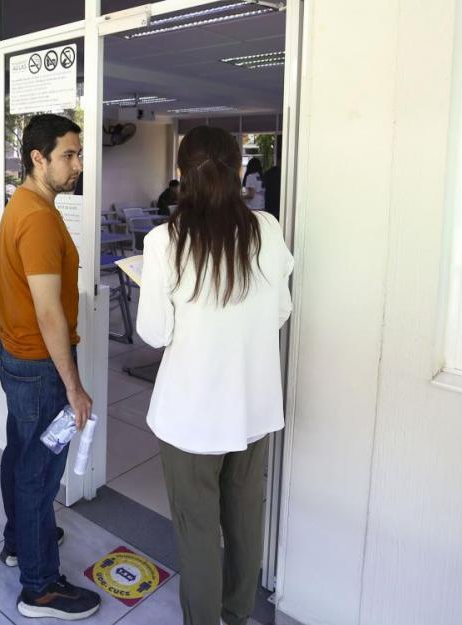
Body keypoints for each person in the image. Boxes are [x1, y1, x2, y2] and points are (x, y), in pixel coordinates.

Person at [136, 126, 293, 625]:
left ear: (181, 174)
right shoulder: (265, 228)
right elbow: (280, 311)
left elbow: (155, 333)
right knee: (246, 518)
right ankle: (237, 613)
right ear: (239, 168)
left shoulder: (165, 240)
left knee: (197, 526)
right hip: (253, 405)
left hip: (191, 414)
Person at [0, 113, 100, 620]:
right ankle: (39, 588)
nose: (77, 165)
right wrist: (73, 386)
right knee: (39, 472)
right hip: (40, 367)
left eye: (78, 154)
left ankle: (21, 541)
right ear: (38, 159)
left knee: (21, 456)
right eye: (68, 155)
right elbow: (49, 309)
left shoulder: (26, 204)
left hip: (20, 359)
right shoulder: (36, 216)